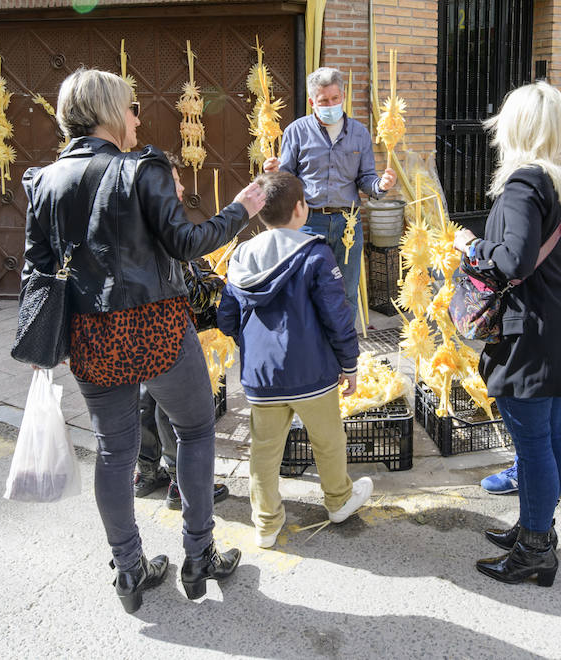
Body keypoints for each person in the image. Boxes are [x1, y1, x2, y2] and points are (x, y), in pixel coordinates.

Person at [21, 68, 265, 613]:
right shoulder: (142, 168)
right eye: (131, 108)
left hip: (90, 332)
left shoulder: (45, 180)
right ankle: (199, 555)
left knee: (113, 451)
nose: (137, 117)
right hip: (154, 324)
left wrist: (39, 347)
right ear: (110, 112)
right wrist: (243, 209)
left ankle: (129, 570)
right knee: (197, 428)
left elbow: (36, 271)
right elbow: (186, 242)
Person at [451, 82, 561, 587]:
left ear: (516, 128)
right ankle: (534, 529)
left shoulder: (523, 183)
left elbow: (512, 260)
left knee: (534, 442)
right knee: (552, 431)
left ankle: (536, 549)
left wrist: (472, 247)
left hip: (532, 334)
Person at [217, 171, 374, 549]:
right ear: (302, 209)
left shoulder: (241, 257)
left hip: (260, 377)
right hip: (312, 373)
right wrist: (349, 364)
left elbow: (226, 317)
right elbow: (338, 315)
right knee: (329, 440)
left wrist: (252, 346)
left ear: (260, 215)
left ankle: (266, 523)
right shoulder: (316, 253)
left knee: (264, 451)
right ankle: (338, 500)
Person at [134, 153, 231, 509]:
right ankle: (179, 480)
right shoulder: (164, 225)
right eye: (175, 180)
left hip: (139, 329)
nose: (182, 187)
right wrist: (216, 283)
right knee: (170, 404)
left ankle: (146, 472)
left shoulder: (134, 219)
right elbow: (188, 289)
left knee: (146, 397)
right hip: (167, 330)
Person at [262, 66, 396, 317]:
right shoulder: (296, 131)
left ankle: (344, 351)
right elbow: (286, 177)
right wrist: (272, 172)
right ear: (313, 101)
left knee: (345, 291)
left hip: (348, 223)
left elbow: (366, 178)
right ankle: (310, 349)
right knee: (304, 288)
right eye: (324, 101)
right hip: (308, 221)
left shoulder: (359, 133)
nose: (331, 104)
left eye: (335, 99)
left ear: (342, 96)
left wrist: (381, 186)